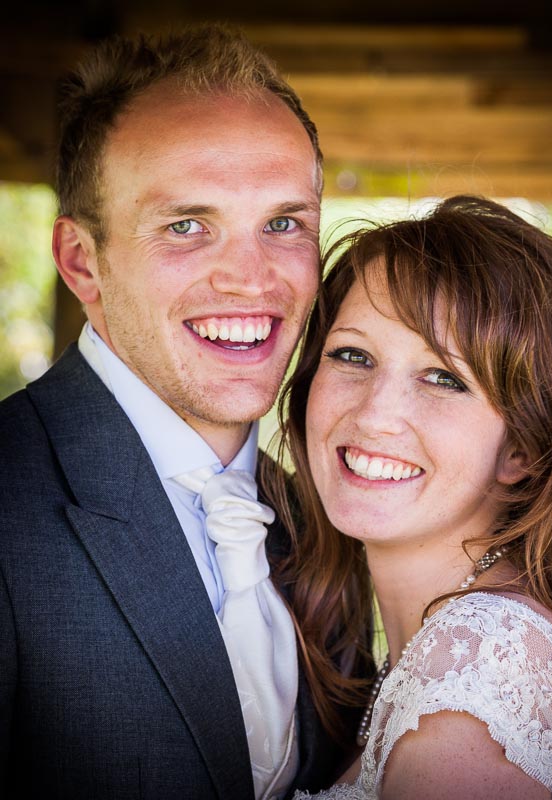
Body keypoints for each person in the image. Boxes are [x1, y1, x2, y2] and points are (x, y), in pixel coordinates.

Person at [0, 23, 373, 800]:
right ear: (82, 261)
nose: (251, 280)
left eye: (283, 223)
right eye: (186, 226)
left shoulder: (327, 517)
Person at [269, 195, 552, 799]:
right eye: (352, 355)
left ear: (521, 446)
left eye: (444, 378)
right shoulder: (458, 644)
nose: (376, 414)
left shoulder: (474, 689)